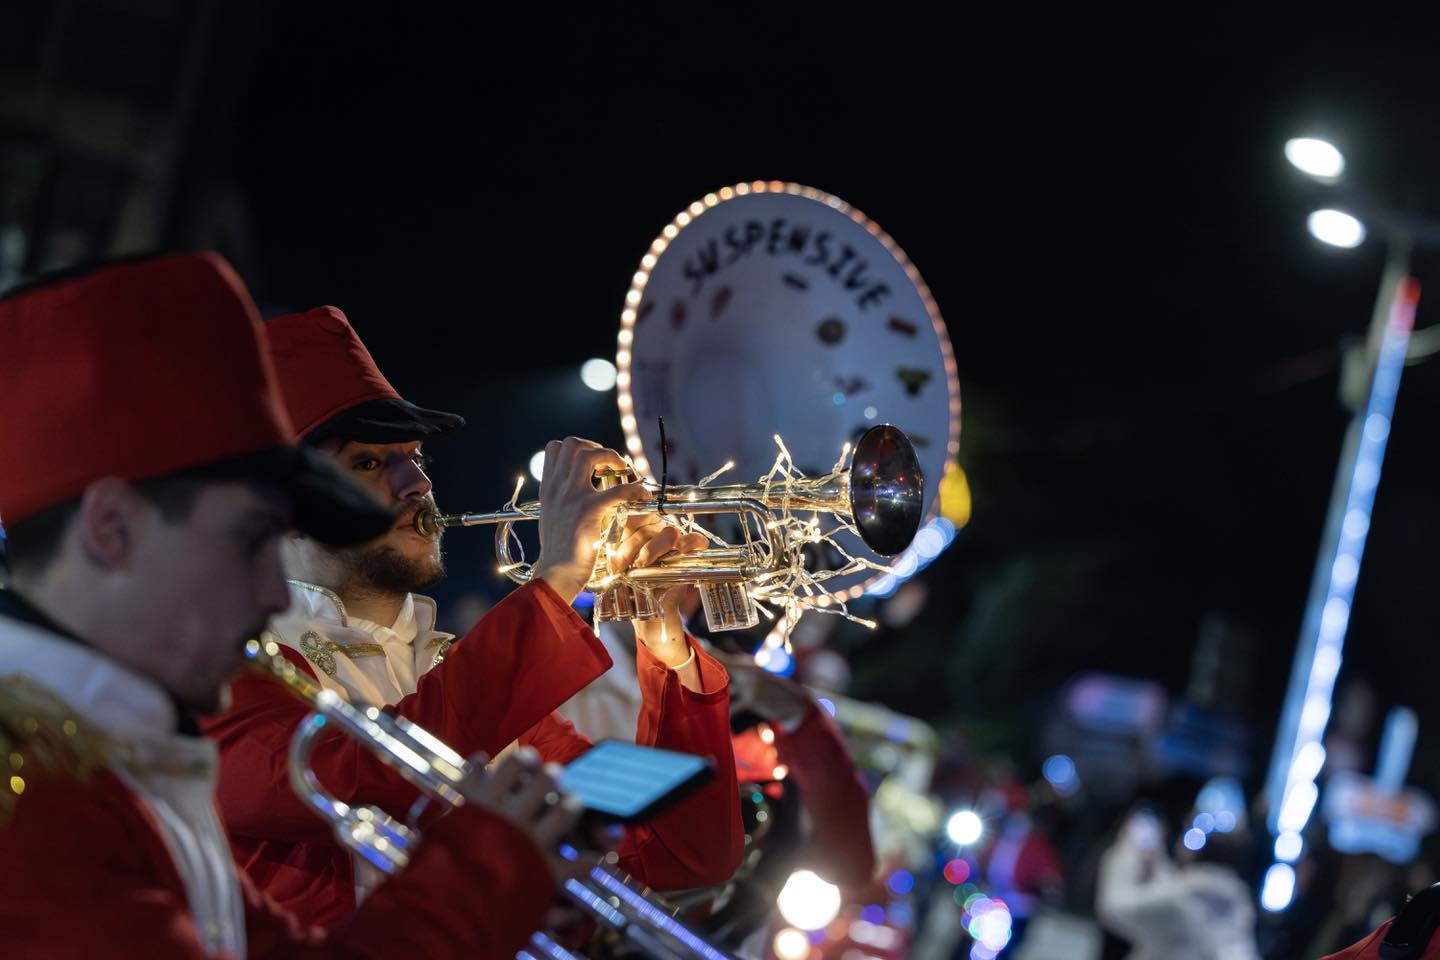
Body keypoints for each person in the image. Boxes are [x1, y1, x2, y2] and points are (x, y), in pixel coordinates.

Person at [0, 253, 583, 958]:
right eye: (248, 540)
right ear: (112, 529)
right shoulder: (33, 800)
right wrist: (483, 868)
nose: (275, 593)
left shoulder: (107, 753)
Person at [202, 305, 743, 925]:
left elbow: (679, 861)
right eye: (369, 463)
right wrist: (557, 578)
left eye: (416, 457)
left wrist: (663, 635)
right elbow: (360, 777)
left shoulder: (460, 674)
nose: (417, 483)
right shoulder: (226, 670)